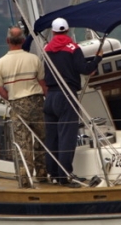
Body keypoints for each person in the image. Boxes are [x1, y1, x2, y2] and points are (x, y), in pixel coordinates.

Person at [42, 18, 102, 186]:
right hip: (66, 96)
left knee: (51, 138)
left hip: (50, 97)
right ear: (67, 31)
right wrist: (97, 59)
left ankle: (53, 174)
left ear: (53, 32)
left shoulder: (46, 49)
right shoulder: (73, 48)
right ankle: (65, 176)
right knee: (67, 137)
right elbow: (85, 69)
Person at [0, 26, 47, 187]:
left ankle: (25, 179)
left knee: (23, 144)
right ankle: (42, 174)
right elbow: (43, 84)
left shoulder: (1, 63)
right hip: (36, 102)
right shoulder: (34, 59)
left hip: (17, 103)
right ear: (23, 41)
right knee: (42, 139)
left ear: (7, 41)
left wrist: (11, 99)